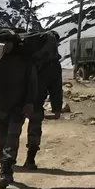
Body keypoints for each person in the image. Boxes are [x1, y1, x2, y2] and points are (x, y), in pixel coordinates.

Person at [0, 30, 37, 189]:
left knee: (11, 139)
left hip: (17, 107)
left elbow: (31, 82)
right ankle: (3, 165)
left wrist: (29, 103)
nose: (5, 46)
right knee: (1, 139)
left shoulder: (25, 60)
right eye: (2, 43)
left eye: (8, 43)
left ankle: (5, 170)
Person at [24, 30, 62, 170]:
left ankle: (5, 159)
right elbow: (56, 89)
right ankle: (30, 159)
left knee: (12, 128)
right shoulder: (53, 64)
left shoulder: (27, 57)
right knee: (34, 129)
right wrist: (56, 108)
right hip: (36, 100)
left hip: (18, 98)